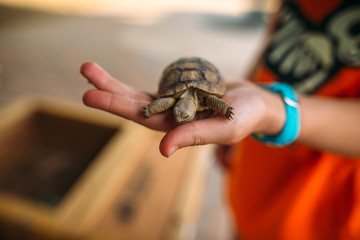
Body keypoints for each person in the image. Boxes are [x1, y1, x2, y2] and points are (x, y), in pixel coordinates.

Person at [81, 0, 360, 238]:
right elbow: (277, 30)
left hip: (325, 214)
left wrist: (268, 108)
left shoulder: (209, 100)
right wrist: (252, 84)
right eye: (180, 113)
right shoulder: (173, 103)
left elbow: (205, 102)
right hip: (253, 183)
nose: (181, 116)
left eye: (183, 113)